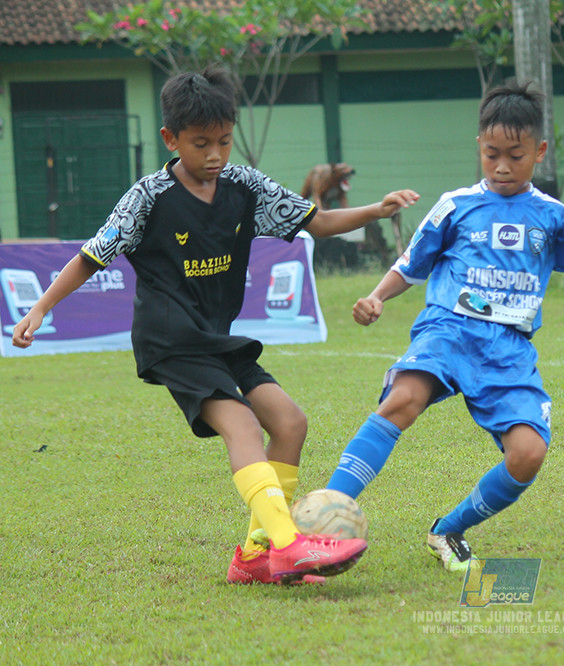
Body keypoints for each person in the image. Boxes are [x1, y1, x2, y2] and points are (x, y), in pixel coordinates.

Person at [12, 66, 420, 585]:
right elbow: (93, 255)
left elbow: (315, 222)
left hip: (214, 337)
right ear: (170, 138)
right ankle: (290, 544)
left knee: (291, 423)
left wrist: (375, 210)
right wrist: (41, 307)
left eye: (224, 141)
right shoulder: (147, 197)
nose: (214, 155)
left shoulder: (244, 187)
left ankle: (254, 557)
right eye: (200, 143)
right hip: (170, 338)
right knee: (244, 426)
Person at [324, 80, 564, 572]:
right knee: (403, 398)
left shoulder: (553, 217)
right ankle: (322, 518)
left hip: (508, 349)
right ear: (479, 149)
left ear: (540, 152)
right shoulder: (457, 206)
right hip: (448, 328)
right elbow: (410, 261)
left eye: (516, 155)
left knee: (528, 454)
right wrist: (377, 297)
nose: (503, 166)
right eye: (492, 155)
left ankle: (449, 529)